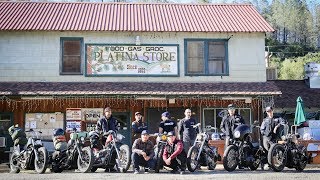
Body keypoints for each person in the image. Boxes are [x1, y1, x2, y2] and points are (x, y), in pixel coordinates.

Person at [95, 107, 118, 172]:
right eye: (107, 112)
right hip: (103, 138)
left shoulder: (114, 120)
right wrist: (103, 133)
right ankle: (105, 165)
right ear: (105, 113)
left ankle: (110, 167)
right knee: (105, 152)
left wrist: (114, 133)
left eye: (110, 112)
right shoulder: (101, 120)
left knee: (113, 152)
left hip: (112, 138)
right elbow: (97, 129)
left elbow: (117, 128)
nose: (109, 113)